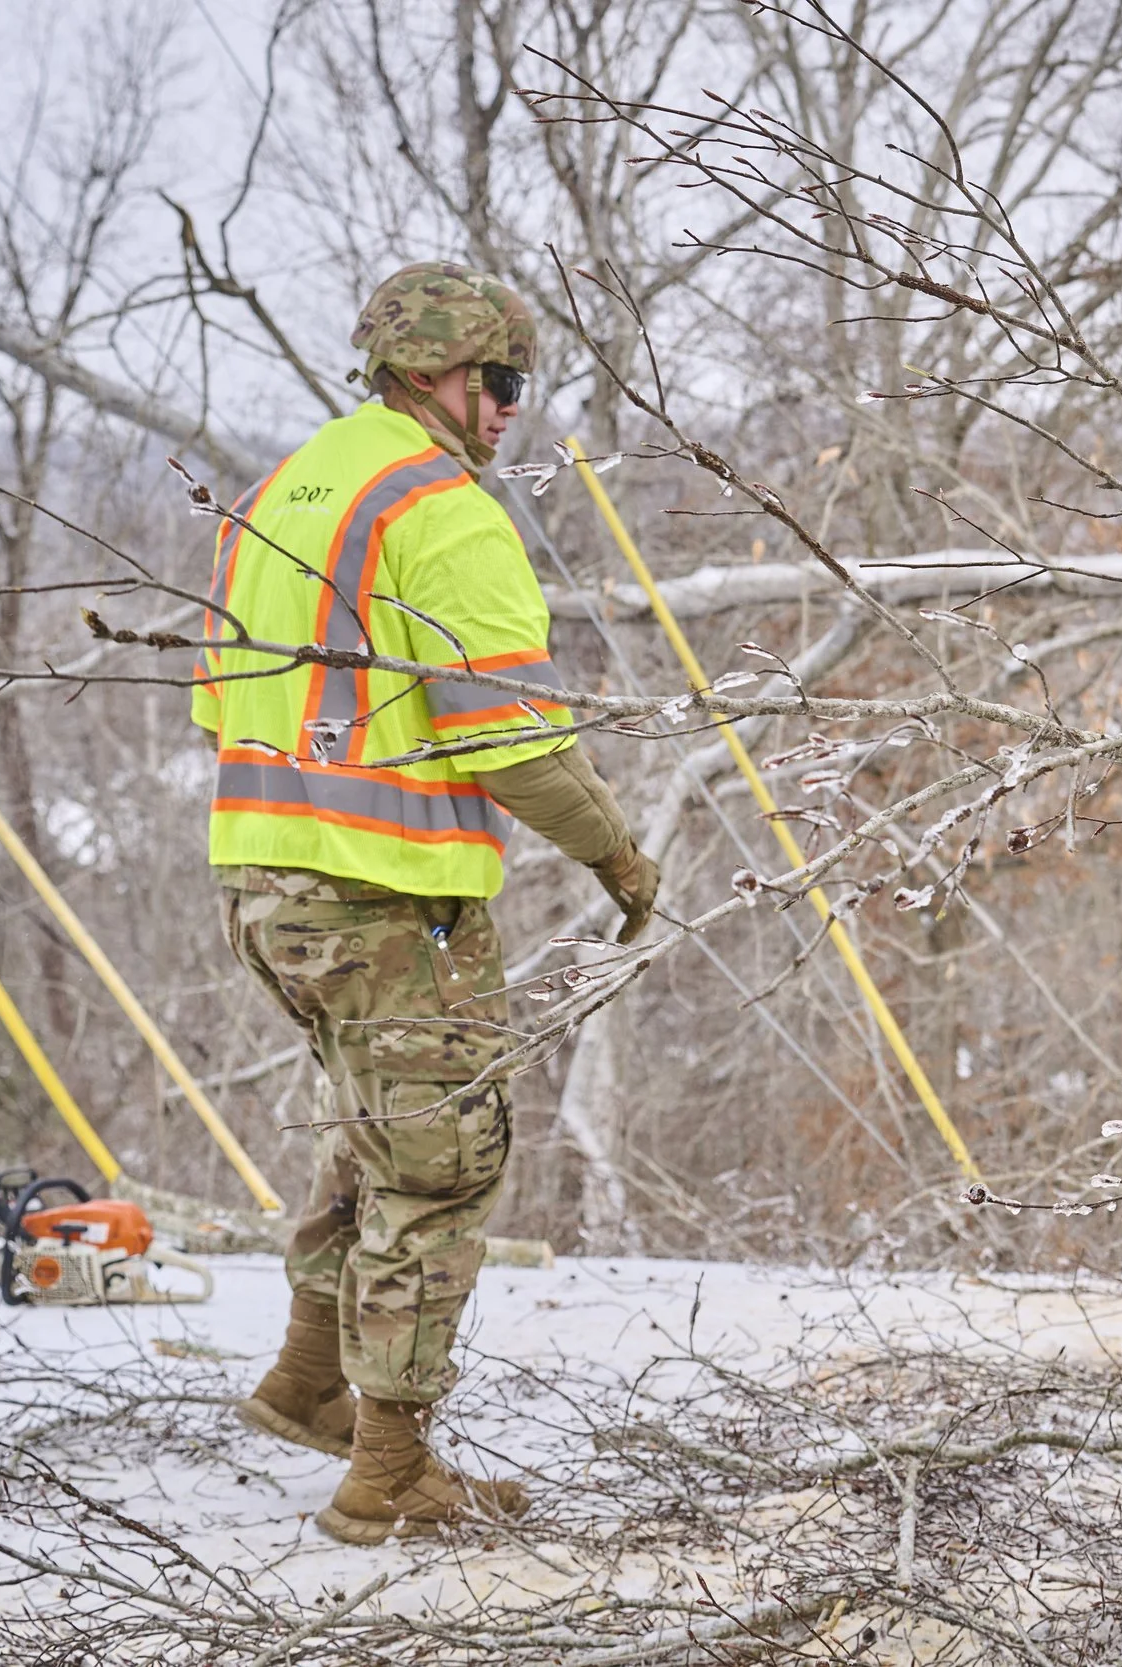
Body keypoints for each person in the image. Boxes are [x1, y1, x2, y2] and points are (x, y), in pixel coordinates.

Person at [197, 262, 660, 1544]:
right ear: (434, 376)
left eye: (517, 383)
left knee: (371, 1127)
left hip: (262, 891)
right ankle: (389, 1471)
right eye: (498, 381)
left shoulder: (278, 490)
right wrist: (620, 856)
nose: (509, 408)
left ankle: (305, 1383)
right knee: (443, 1168)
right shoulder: (440, 508)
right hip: (391, 899)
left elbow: (216, 705)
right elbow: (511, 740)